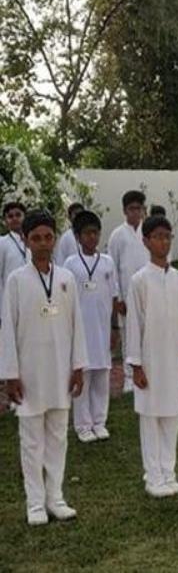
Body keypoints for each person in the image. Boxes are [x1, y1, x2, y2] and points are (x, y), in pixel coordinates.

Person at [1, 210, 87, 525]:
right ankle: (35, 503)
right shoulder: (16, 280)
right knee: (31, 440)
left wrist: (78, 366)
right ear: (25, 240)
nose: (42, 243)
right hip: (29, 373)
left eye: (47, 237)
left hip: (60, 372)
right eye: (35, 237)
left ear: (54, 239)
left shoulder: (66, 278)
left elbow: (77, 325)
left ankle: (56, 497)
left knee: (57, 438)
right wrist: (10, 374)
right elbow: (7, 329)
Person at [126, 215, 178, 498]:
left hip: (171, 358)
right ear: (146, 241)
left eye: (167, 236)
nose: (163, 241)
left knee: (170, 416)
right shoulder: (139, 281)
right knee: (151, 417)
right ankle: (153, 475)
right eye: (157, 236)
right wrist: (136, 365)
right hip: (150, 360)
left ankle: (169, 472)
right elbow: (134, 325)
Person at [63, 211, 118, 442]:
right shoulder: (70, 264)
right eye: (87, 233)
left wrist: (115, 328)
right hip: (80, 329)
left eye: (95, 233)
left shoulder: (107, 262)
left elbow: (114, 296)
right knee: (82, 376)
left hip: (102, 328)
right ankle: (83, 425)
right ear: (77, 236)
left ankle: (99, 421)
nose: (92, 237)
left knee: (101, 376)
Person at [107, 190, 149, 394]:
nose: (135, 212)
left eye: (139, 208)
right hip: (126, 294)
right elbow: (112, 268)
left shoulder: (148, 232)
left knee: (147, 335)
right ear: (125, 210)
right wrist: (118, 299)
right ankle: (129, 378)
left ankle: (147, 372)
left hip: (148, 293)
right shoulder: (117, 235)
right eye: (131, 209)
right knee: (128, 337)